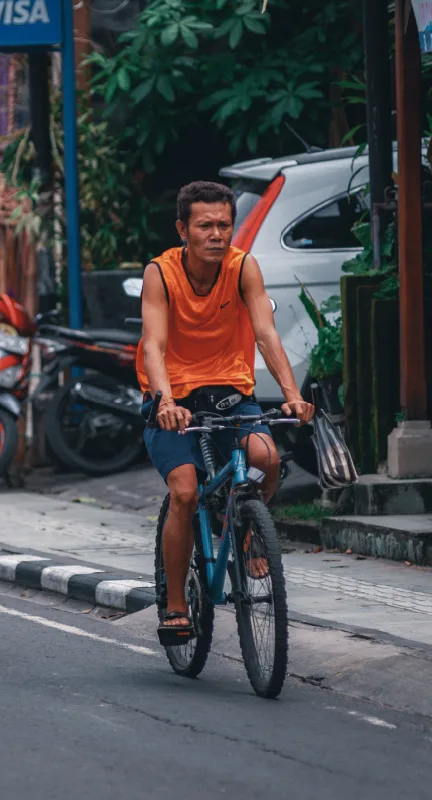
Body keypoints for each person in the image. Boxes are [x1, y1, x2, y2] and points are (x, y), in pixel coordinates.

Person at [137, 181, 314, 644]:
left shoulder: (243, 268)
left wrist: (292, 394)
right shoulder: (160, 272)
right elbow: (153, 344)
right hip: (172, 401)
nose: (217, 234)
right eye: (205, 226)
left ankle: (249, 533)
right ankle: (176, 605)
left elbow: (266, 334)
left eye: (224, 225)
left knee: (268, 459)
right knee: (185, 493)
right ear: (183, 229)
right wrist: (166, 402)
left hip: (231, 394)